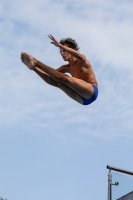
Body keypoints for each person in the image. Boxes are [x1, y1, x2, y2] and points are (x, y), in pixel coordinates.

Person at [21, 34, 98, 105]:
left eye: (64, 51)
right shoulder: (65, 67)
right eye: (60, 52)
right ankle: (35, 65)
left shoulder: (81, 60)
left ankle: (36, 62)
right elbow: (49, 76)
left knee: (65, 78)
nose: (62, 53)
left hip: (91, 91)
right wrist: (35, 69)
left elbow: (79, 55)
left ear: (72, 49)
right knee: (59, 83)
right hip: (83, 100)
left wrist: (60, 45)